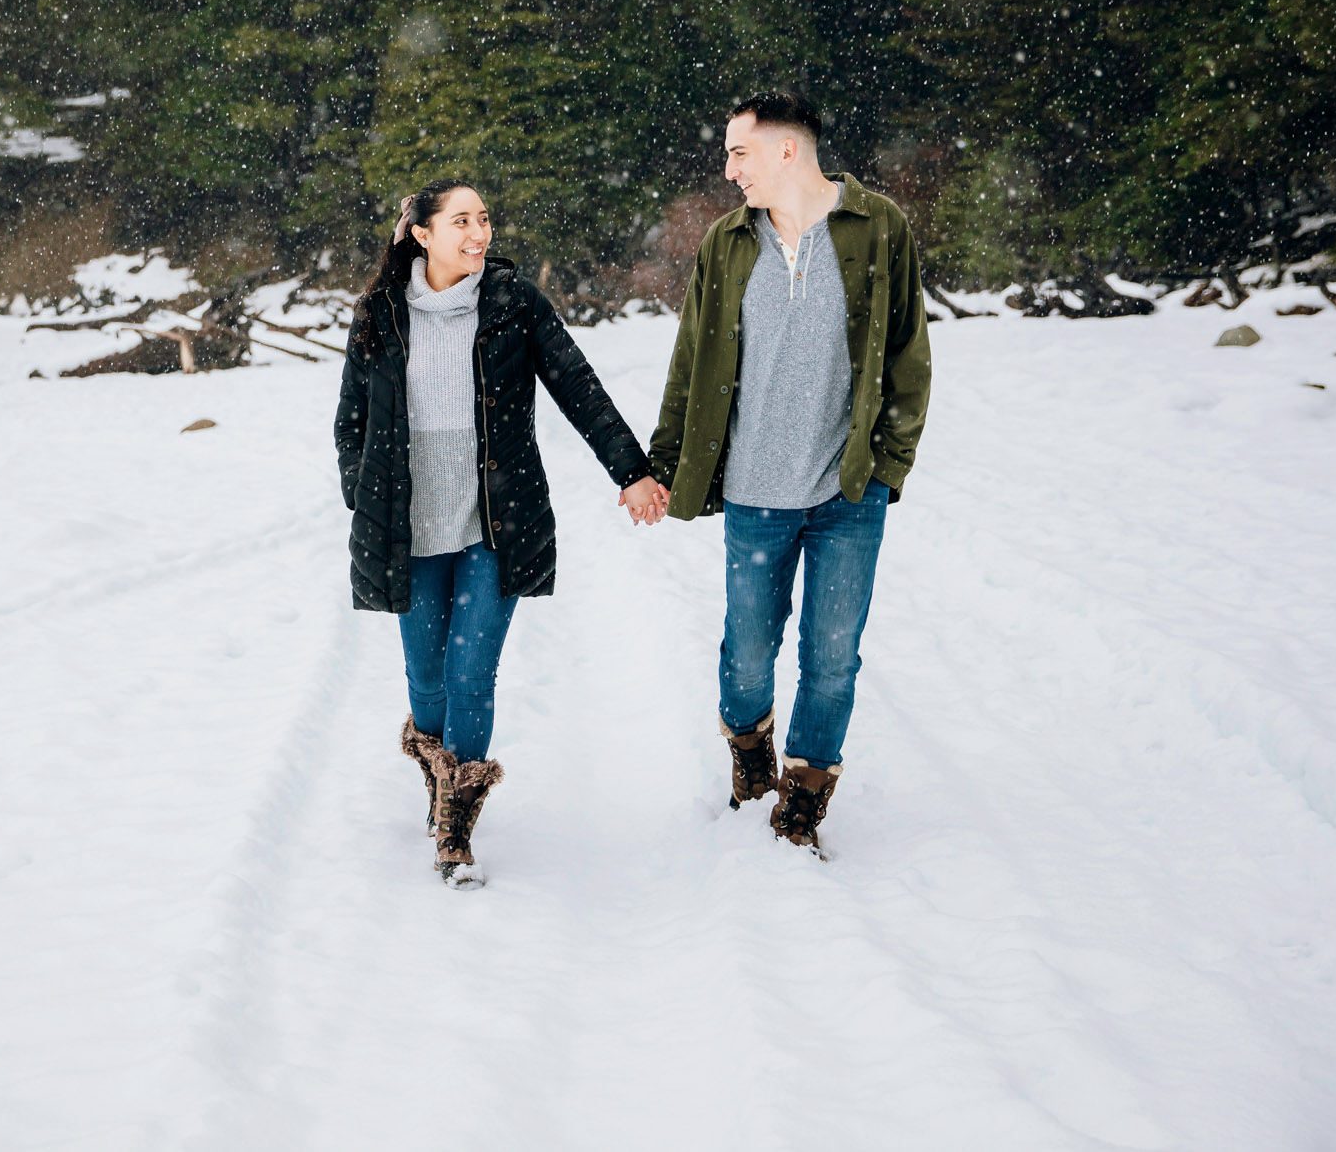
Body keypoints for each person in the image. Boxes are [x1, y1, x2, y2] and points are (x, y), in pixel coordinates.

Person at [336, 179, 669, 888]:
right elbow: (351, 425)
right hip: (411, 527)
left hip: (496, 523)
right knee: (427, 680)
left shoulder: (515, 304)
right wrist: (365, 498)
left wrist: (632, 470)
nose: (479, 232)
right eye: (462, 220)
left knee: (470, 672)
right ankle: (440, 772)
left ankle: (456, 822)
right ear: (422, 233)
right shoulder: (380, 315)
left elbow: (578, 386)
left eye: (484, 218)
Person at [648, 92, 931, 855]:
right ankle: (749, 756)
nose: (729, 168)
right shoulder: (728, 241)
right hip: (752, 491)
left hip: (848, 492)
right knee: (747, 649)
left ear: (786, 150)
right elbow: (692, 359)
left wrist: (887, 467)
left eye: (739, 152)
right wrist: (663, 461)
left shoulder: (878, 229)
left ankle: (803, 796)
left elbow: (907, 354)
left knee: (833, 655)